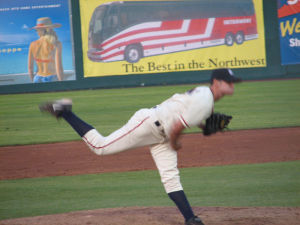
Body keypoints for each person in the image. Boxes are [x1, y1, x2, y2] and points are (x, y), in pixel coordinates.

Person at [39, 68, 241, 225]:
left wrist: (205, 126)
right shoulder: (206, 100)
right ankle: (65, 112)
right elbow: (178, 126)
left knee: (170, 177)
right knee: (100, 147)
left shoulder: (205, 97)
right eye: (229, 82)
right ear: (217, 82)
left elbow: (188, 115)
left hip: (161, 133)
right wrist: (176, 142)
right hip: (148, 123)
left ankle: (191, 219)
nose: (233, 86)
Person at [28, 17, 63, 83]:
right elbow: (59, 68)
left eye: (37, 30)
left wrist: (33, 80)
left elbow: (30, 67)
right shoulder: (56, 44)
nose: (37, 32)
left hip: (37, 78)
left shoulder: (32, 44)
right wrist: (61, 83)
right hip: (51, 77)